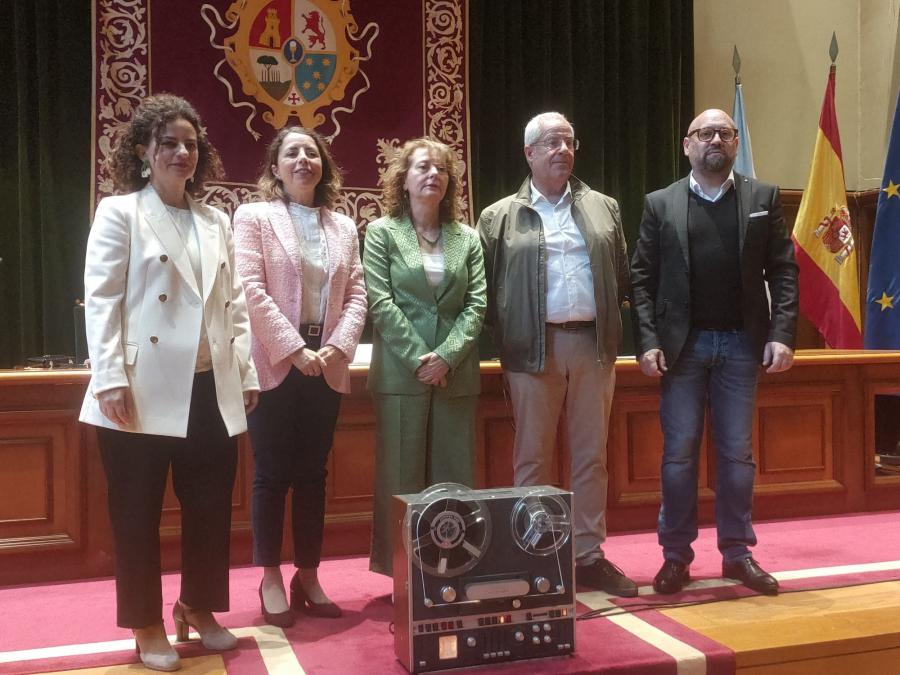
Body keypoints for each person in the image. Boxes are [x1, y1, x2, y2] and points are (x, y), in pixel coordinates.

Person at [79, 94, 260, 672]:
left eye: (191, 144)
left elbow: (234, 307)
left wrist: (246, 372)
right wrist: (108, 377)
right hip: (138, 387)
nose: (182, 153)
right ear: (143, 151)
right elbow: (102, 301)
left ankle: (198, 608)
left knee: (209, 508)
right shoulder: (119, 213)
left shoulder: (216, 219)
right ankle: (146, 623)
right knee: (136, 513)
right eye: (169, 144)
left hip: (211, 387)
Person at [630, 108, 798, 596]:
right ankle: (676, 557)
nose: (715, 141)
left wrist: (782, 333)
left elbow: (784, 272)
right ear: (688, 145)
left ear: (735, 143)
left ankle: (737, 554)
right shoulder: (660, 204)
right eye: (705, 134)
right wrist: (647, 341)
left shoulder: (762, 198)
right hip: (682, 351)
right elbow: (641, 279)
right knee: (679, 456)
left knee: (737, 455)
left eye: (724, 133)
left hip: (743, 347)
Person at [477, 112, 637, 597]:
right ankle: (535, 553)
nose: (562, 150)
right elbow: (483, 290)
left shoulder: (603, 207)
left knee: (593, 457)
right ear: (529, 154)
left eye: (568, 141)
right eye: (550, 142)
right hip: (532, 350)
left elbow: (623, 276)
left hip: (592, 345)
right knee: (533, 457)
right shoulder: (498, 215)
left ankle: (588, 555)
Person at [233, 127, 367, 624]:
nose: (303, 160)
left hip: (327, 365)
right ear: (276, 167)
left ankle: (307, 574)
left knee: (314, 476)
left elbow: (357, 295)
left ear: (323, 165)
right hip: (273, 364)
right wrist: (294, 349)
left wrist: (334, 348)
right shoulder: (254, 217)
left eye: (311, 152)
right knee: (270, 476)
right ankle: (270, 576)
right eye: (292, 153)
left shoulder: (345, 227)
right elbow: (248, 288)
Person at [363, 137, 486, 576]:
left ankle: (451, 564)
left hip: (455, 376)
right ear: (404, 179)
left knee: (453, 477)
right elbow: (380, 302)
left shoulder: (467, 238)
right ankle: (400, 572)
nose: (433, 174)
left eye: (441, 169)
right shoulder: (382, 233)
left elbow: (477, 305)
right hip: (401, 374)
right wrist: (420, 357)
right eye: (422, 168)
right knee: (400, 478)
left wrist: (447, 357)